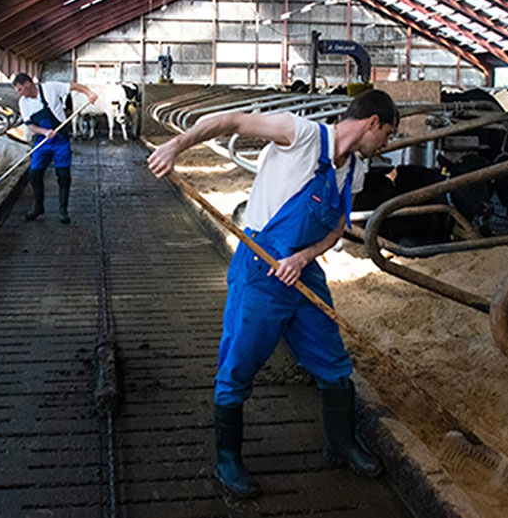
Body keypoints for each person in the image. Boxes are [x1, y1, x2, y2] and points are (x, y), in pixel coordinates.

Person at [147, 89, 398, 498]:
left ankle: (342, 443)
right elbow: (230, 120)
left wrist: (304, 257)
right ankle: (227, 459)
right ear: (372, 122)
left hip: (303, 271)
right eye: (386, 134)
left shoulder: (353, 168)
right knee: (240, 362)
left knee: (333, 360)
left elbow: (336, 228)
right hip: (261, 269)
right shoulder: (299, 133)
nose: (386, 144)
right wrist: (175, 144)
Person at [12, 73, 97, 223]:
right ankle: (38, 207)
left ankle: (63, 211)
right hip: (42, 141)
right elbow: (30, 125)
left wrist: (89, 93)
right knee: (34, 174)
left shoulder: (50, 88)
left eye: (19, 89)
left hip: (60, 140)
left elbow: (74, 86)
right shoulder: (23, 102)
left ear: (28, 85)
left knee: (63, 175)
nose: (18, 93)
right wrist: (44, 132)